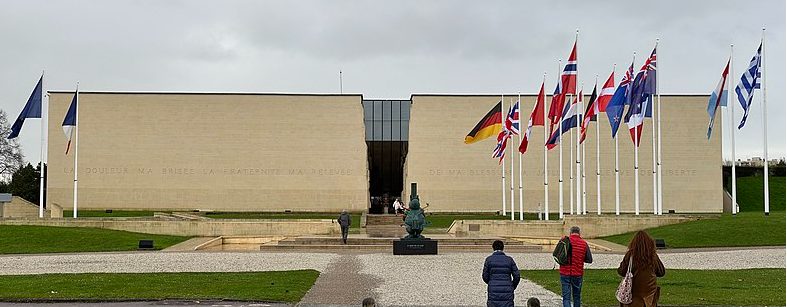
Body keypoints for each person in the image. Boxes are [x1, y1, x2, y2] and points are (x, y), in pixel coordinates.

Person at [617, 231, 666, 307]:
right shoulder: (652, 256)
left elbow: (621, 271)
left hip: (633, 298)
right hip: (650, 298)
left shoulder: (630, 255)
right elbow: (661, 272)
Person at [559, 226, 593, 307]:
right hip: (577, 273)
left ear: (570, 233)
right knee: (577, 296)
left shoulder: (564, 241)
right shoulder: (584, 243)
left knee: (566, 297)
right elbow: (589, 259)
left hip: (565, 272)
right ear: (579, 233)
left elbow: (558, 254)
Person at [482, 240, 520, 307]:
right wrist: (512, 285)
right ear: (503, 248)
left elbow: (485, 276)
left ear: (493, 248)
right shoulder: (509, 260)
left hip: (493, 288)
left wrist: (491, 282)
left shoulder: (489, 259)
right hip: (507, 288)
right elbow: (517, 276)